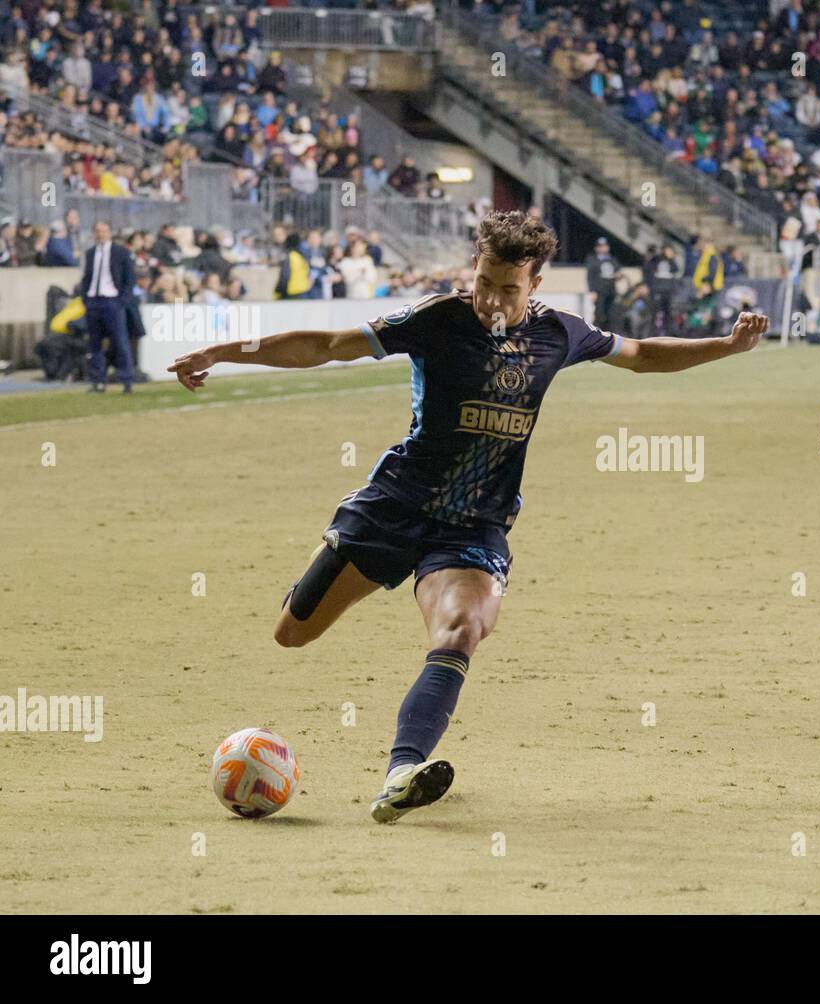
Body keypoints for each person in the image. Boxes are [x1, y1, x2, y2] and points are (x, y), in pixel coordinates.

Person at [167, 211, 769, 824]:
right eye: (483, 282)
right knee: (292, 632)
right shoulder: (438, 319)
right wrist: (223, 350)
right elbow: (327, 347)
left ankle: (402, 770)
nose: (489, 299)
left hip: (474, 526)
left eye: (507, 289)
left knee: (461, 631)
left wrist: (726, 345)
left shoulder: (562, 333)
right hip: (395, 506)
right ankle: (345, 566)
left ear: (535, 285)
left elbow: (641, 353)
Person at [81, 221, 137, 393]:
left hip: (112, 301)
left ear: (110, 232)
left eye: (104, 231)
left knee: (120, 341)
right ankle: (98, 381)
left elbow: (129, 278)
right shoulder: (90, 253)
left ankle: (126, 380)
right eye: (98, 231)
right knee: (94, 344)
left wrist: (122, 301)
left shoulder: (120, 252)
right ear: (94, 233)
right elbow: (87, 277)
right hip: (93, 301)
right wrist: (85, 298)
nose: (101, 234)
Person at [584, 236, 618, 329]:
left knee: (611, 315)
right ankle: (596, 335)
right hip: (599, 291)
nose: (603, 248)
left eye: (604, 246)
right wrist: (592, 291)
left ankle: (610, 336)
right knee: (600, 315)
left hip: (611, 291)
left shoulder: (612, 259)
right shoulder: (593, 259)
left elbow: (617, 272)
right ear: (596, 248)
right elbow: (590, 276)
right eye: (600, 246)